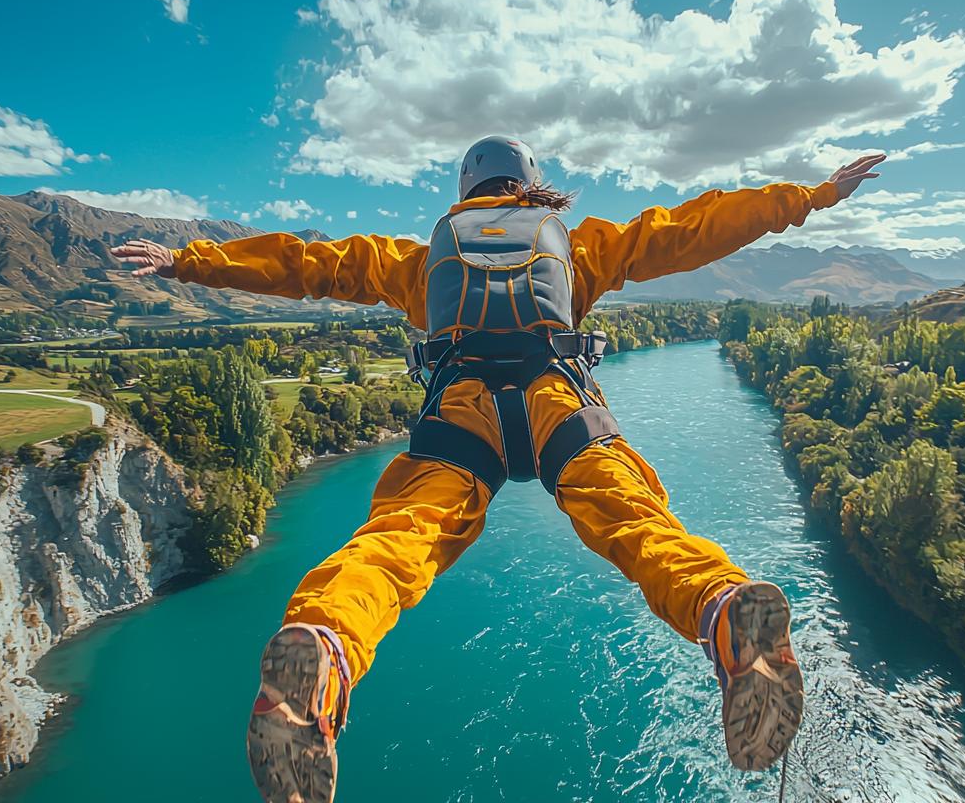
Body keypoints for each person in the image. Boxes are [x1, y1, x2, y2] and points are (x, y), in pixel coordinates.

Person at [115, 137, 884, 803]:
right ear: (527, 183)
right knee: (633, 518)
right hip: (558, 399)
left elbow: (310, 264)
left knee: (402, 536)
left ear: (464, 192)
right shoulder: (573, 243)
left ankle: (326, 643)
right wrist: (809, 196)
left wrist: (191, 260)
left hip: (463, 410)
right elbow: (690, 229)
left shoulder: (420, 261)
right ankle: (721, 610)